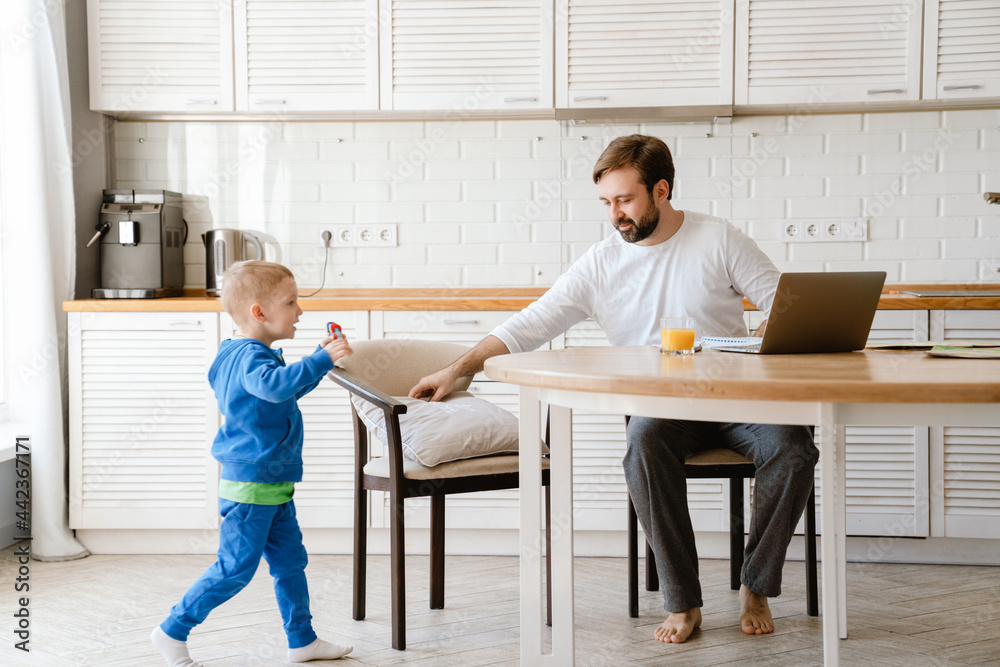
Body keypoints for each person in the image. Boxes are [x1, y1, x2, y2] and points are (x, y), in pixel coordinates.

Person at [409, 134, 818, 644]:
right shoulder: (602, 262)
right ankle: (682, 600)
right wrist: (462, 367)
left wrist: (769, 331)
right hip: (663, 408)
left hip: (740, 400)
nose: (615, 214)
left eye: (625, 200)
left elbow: (785, 305)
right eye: (606, 202)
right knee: (643, 443)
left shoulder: (718, 238)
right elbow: (530, 324)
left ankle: (755, 586)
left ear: (661, 190)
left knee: (795, 448)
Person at [151, 260, 355, 666]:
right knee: (235, 570)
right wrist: (319, 361)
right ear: (259, 313)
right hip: (251, 489)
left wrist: (321, 360)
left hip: (273, 486)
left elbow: (282, 393)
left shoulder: (249, 354)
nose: (301, 311)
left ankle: (302, 640)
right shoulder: (249, 358)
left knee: (290, 563)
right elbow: (273, 385)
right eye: (292, 303)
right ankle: (172, 629)